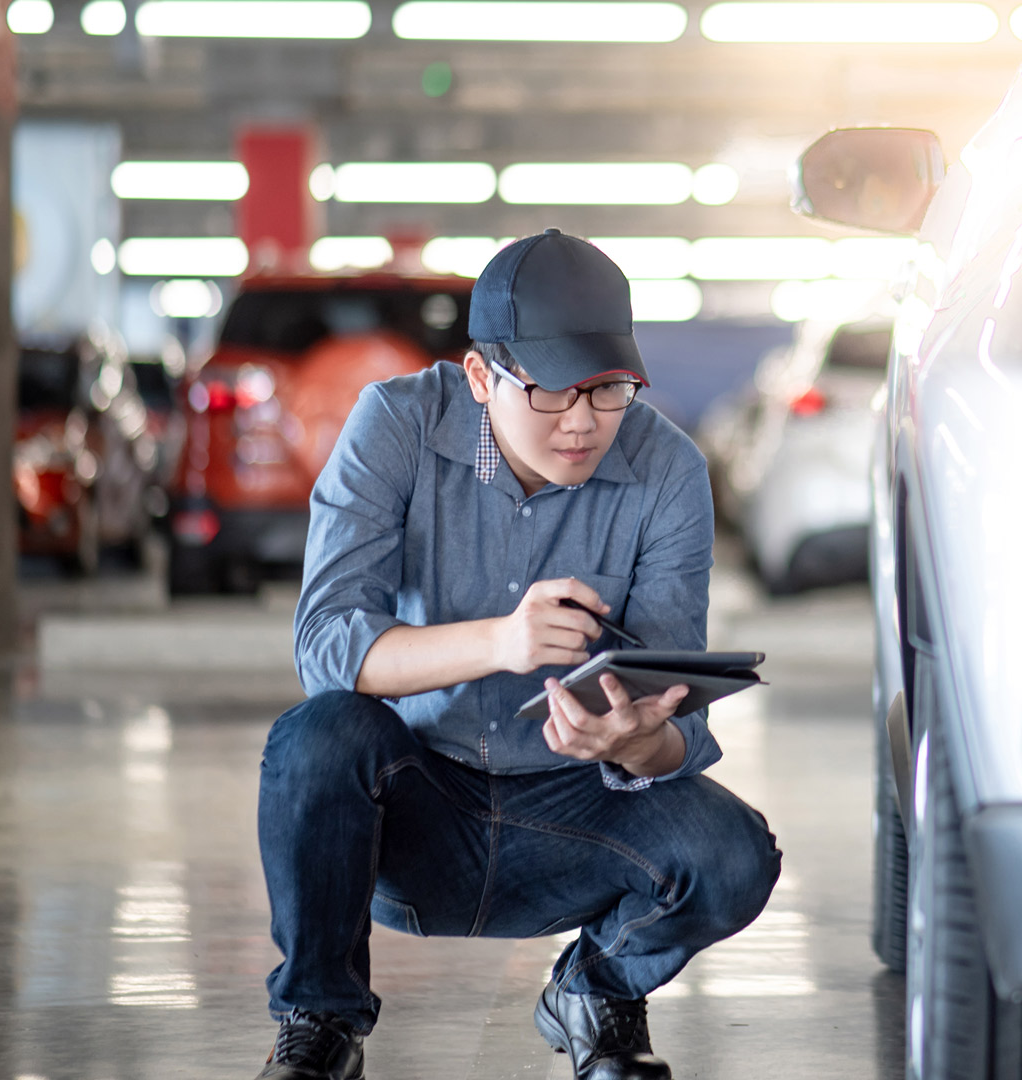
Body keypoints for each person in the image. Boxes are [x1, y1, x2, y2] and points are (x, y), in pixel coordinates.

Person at [252, 229, 781, 1080]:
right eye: (549, 392)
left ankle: (596, 993)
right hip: (416, 807)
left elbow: (677, 719)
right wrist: (502, 642)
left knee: (733, 854)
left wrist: (632, 744)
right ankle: (320, 1024)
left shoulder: (668, 470)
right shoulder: (394, 426)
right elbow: (325, 646)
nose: (581, 422)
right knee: (319, 736)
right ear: (478, 376)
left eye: (608, 390)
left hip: (576, 811)